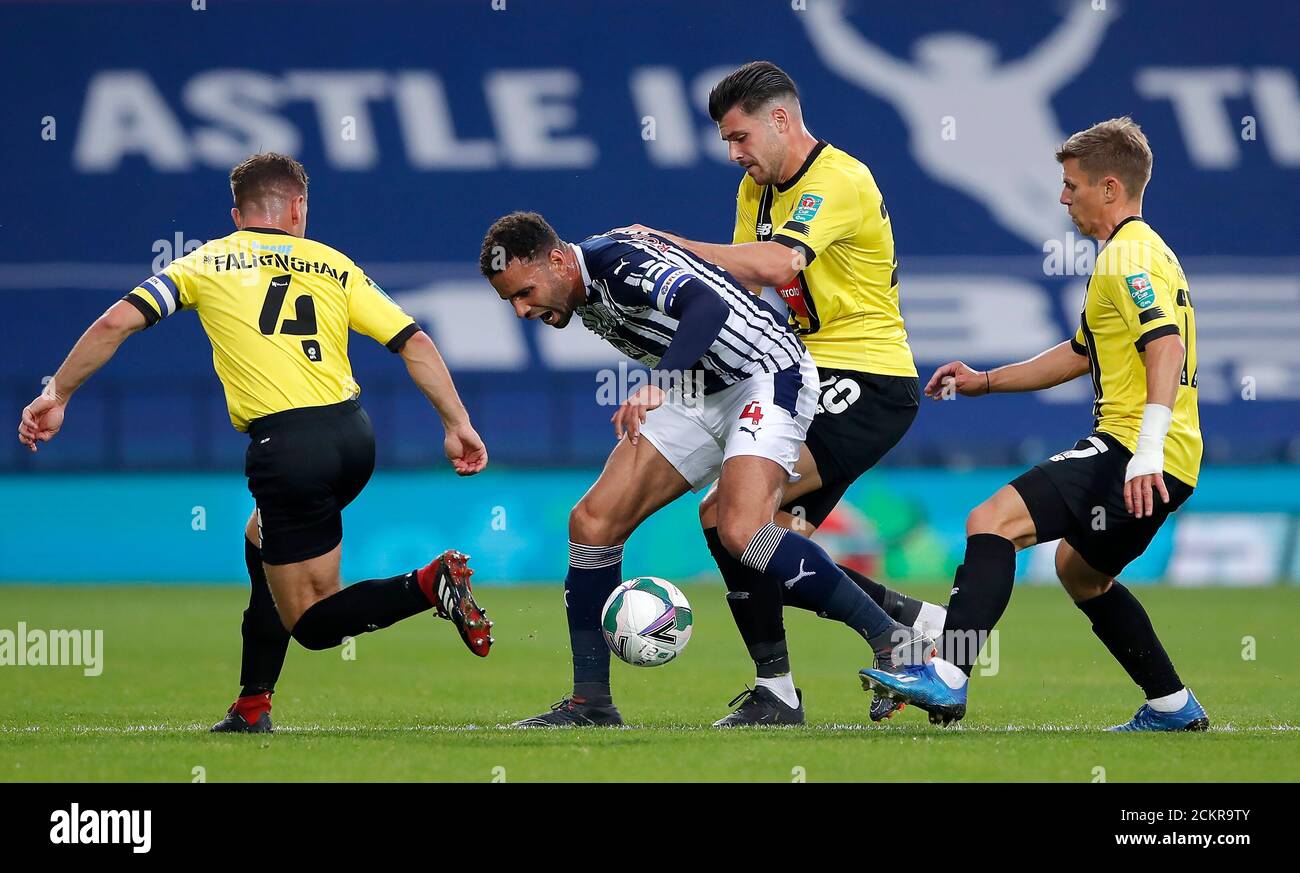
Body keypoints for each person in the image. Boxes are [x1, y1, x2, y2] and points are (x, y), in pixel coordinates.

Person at [18, 152, 493, 734]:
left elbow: (117, 322)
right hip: (351, 436)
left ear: (237, 213)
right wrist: (457, 423)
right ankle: (252, 704)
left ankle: (429, 584)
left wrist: (58, 394)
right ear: (298, 207)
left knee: (317, 624)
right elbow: (413, 341)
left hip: (288, 447)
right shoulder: (334, 264)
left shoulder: (207, 260)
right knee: (259, 541)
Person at [480, 212, 930, 727]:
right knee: (592, 524)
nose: (521, 310)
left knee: (741, 530)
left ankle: (894, 642)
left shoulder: (618, 266)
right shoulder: (581, 284)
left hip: (765, 375)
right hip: (698, 392)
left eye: (524, 291)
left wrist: (657, 383)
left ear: (558, 261)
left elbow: (705, 305)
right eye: (510, 300)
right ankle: (592, 704)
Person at [621, 61, 944, 725]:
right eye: (726, 143)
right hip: (803, 375)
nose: (735, 153)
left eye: (740, 137)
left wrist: (667, 244)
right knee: (757, 542)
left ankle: (795, 680)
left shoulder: (839, 180)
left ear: (780, 120)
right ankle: (914, 624)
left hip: (866, 379)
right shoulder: (755, 190)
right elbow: (745, 293)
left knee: (727, 518)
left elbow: (778, 263)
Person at [863, 118, 1209, 732]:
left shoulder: (1128, 258)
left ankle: (946, 676)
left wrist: (1147, 447)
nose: (1062, 197)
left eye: (1072, 185)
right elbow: (1081, 353)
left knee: (990, 521)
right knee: (1080, 571)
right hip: (1171, 461)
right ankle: (1172, 705)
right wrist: (987, 380)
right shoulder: (1141, 254)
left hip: (1135, 450)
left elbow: (1165, 348)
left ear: (1109, 187)